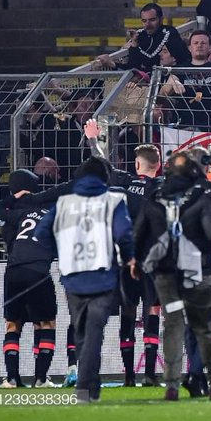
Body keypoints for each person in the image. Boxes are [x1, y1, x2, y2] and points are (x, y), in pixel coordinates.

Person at [133, 150, 211, 401]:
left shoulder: (156, 197)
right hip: (198, 270)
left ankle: (172, 384)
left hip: (166, 274)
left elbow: (138, 235)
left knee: (173, 325)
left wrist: (134, 261)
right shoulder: (201, 196)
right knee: (205, 327)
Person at [34, 157, 136, 404]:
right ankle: (88, 384)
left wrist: (61, 251)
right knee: (92, 333)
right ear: (105, 178)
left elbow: (40, 233)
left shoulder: (64, 203)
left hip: (72, 278)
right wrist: (131, 258)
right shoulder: (113, 201)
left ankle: (87, 386)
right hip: (103, 277)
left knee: (83, 333)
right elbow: (124, 234)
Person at [0, 169, 59, 388]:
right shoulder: (49, 209)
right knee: (45, 322)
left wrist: (13, 198)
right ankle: (40, 379)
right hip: (38, 271)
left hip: (14, 270)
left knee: (13, 324)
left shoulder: (14, 213)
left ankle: (11, 378)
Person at [118, 144, 163, 388]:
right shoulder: (161, 187)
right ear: (159, 165)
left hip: (126, 259)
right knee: (152, 311)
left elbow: (102, 165)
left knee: (128, 311)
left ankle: (128, 376)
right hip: (152, 260)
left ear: (137, 165)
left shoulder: (125, 184)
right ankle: (149, 374)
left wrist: (93, 140)